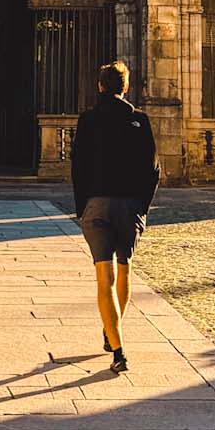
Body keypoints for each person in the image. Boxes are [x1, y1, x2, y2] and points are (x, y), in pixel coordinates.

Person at [70, 60, 160, 374]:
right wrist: (142, 208)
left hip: (96, 205)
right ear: (126, 87)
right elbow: (153, 171)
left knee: (103, 278)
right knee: (124, 270)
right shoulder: (140, 120)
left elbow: (78, 166)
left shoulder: (88, 120)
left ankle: (118, 348)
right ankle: (111, 333)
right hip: (129, 206)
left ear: (100, 86)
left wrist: (83, 207)